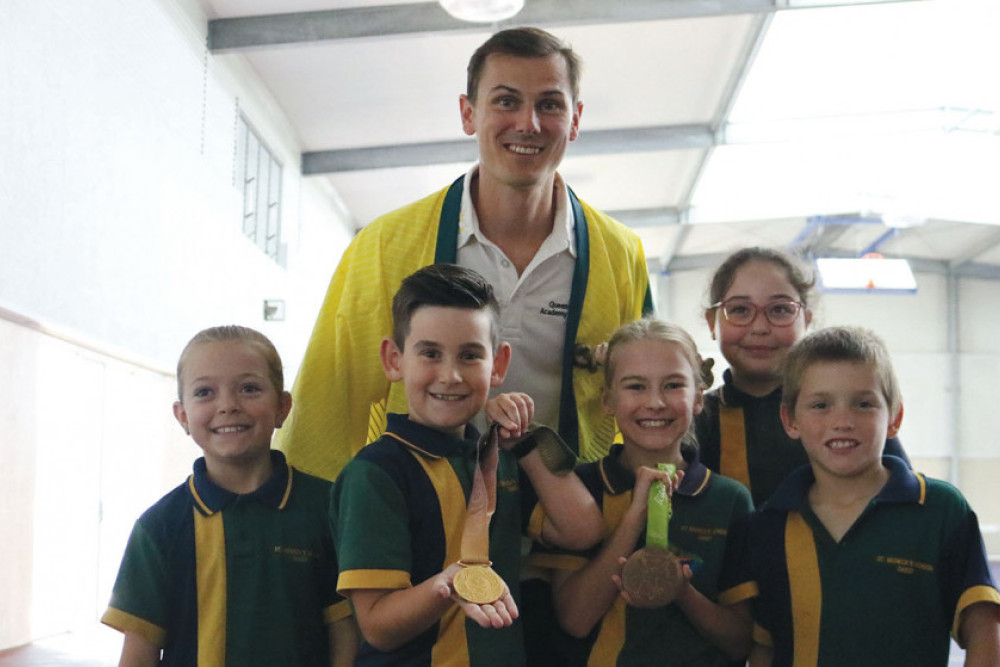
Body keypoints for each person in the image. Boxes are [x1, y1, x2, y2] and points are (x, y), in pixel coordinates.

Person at [279, 26, 652, 483]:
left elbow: (641, 403)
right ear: (468, 113)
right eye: (506, 100)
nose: (528, 123)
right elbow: (328, 404)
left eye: (549, 104)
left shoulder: (619, 253)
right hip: (422, 517)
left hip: (567, 524)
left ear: (574, 120)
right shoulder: (383, 246)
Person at [330, 264, 605, 665]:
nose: (451, 375)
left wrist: (523, 443)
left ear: (498, 365)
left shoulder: (496, 461)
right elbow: (377, 627)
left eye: (470, 355)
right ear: (394, 360)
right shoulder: (375, 473)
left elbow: (583, 530)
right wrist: (446, 585)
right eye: (430, 353)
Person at [743, 326, 1000, 666]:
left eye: (864, 404)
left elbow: (985, 631)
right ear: (790, 420)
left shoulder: (940, 510)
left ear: (894, 418)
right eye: (820, 405)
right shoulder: (770, 523)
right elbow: (765, 647)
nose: (843, 421)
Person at [101, 325, 357, 667]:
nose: (228, 406)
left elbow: (344, 633)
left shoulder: (327, 507)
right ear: (182, 416)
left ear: (282, 407)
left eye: (249, 388)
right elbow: (139, 653)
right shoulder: (158, 527)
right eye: (205, 392)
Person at [536, 318, 754, 665]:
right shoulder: (578, 490)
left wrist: (680, 590)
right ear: (607, 400)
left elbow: (740, 643)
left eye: (673, 385)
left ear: (698, 398)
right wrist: (633, 520)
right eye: (636, 386)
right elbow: (575, 621)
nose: (654, 402)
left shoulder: (729, 499)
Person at [695, 247, 909, 507]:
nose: (760, 327)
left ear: (806, 320)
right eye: (739, 309)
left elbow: (906, 507)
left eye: (780, 310)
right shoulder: (695, 420)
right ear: (711, 322)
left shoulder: (849, 415)